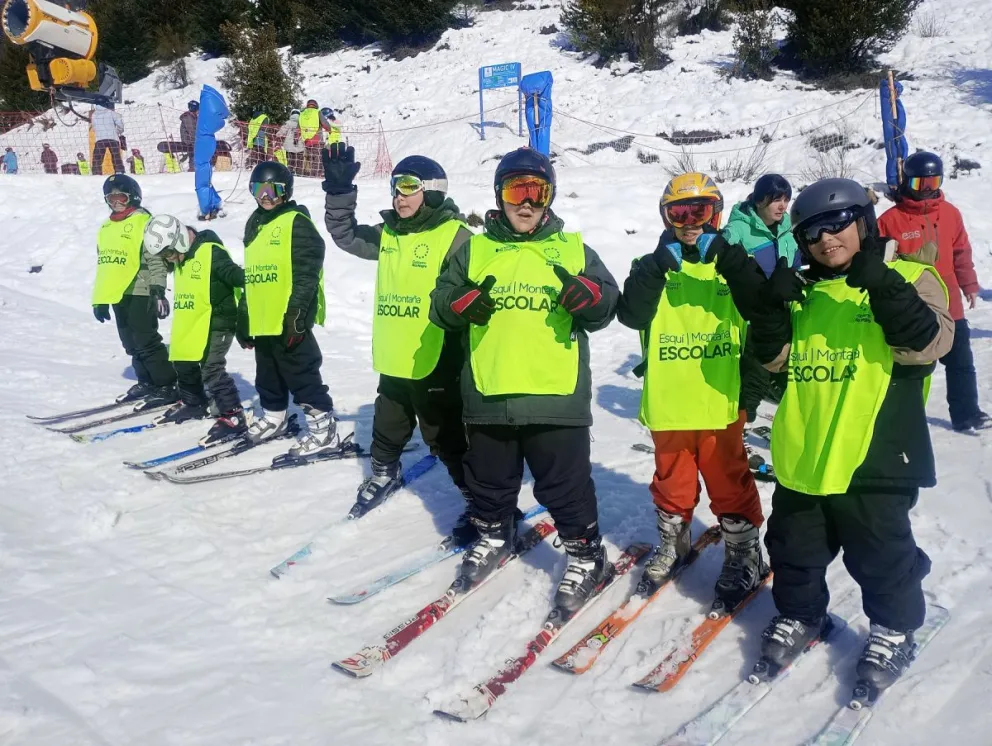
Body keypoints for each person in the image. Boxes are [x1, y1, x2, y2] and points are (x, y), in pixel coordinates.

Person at [720, 178, 952, 693]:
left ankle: (893, 630)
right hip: (806, 449)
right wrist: (770, 312)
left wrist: (883, 284)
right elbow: (774, 361)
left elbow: (929, 344)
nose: (827, 240)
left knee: (880, 552)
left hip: (877, 450)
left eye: (838, 224)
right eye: (812, 234)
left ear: (863, 223)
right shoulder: (806, 292)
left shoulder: (911, 274)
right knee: (794, 548)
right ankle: (801, 615)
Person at [429, 147, 620, 615]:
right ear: (501, 195)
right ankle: (495, 535)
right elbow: (440, 301)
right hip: (490, 392)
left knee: (564, 485)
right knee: (489, 480)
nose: (527, 202)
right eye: (517, 190)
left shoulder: (573, 248)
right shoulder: (474, 249)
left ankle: (585, 554)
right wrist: (458, 305)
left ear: (549, 196)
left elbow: (608, 301)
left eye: (537, 191)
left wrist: (590, 297)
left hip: (555, 395)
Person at [617, 172, 766, 614]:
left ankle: (744, 553)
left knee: (729, 480)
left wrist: (730, 259)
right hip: (669, 399)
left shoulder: (734, 264)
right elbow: (631, 314)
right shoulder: (652, 264)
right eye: (678, 213)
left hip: (719, 398)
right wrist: (655, 267)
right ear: (665, 217)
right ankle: (673, 539)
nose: (689, 222)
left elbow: (762, 311)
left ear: (715, 212)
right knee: (672, 480)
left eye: (699, 211)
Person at [323, 145, 475, 526]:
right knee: (388, 422)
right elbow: (345, 236)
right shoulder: (389, 234)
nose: (399, 195)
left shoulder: (457, 238)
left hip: (437, 357)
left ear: (433, 191)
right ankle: (383, 472)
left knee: (447, 436)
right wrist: (339, 193)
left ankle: (482, 500)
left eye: (409, 187)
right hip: (395, 355)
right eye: (395, 186)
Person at [877, 151, 988, 433]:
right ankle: (902, 419)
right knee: (911, 366)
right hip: (914, 305)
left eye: (933, 181)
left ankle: (967, 414)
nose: (927, 190)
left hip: (950, 302)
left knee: (961, 362)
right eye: (919, 184)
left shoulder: (950, 213)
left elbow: (962, 251)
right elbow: (881, 265)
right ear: (907, 183)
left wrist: (970, 285)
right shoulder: (891, 220)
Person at [237, 161, 341, 457]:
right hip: (263, 318)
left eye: (273, 189)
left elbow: (307, 272)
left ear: (286, 191)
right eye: (259, 189)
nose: (265, 196)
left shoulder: (296, 221)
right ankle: (274, 417)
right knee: (267, 374)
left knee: (302, 374)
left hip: (289, 318)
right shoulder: (255, 223)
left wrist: (296, 314)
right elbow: (252, 274)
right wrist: (244, 315)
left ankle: (324, 430)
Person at [143, 215, 248, 444]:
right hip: (192, 319)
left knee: (211, 367)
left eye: (168, 254)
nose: (168, 260)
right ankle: (194, 402)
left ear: (180, 239)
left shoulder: (211, 252)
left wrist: (249, 279)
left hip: (218, 320)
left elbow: (233, 274)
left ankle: (233, 415)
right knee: (182, 359)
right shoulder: (182, 257)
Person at [92, 175, 178, 406]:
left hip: (141, 289)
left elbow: (156, 258)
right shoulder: (107, 227)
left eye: (120, 197)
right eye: (110, 198)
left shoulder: (144, 221)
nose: (115, 203)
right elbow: (105, 265)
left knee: (146, 339)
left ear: (133, 197)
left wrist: (158, 289)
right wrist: (99, 299)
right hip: (118, 293)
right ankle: (146, 380)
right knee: (130, 342)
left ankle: (166, 384)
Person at [723, 173, 799, 423]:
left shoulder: (788, 227)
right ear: (759, 201)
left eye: (786, 200)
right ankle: (741, 421)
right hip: (756, 311)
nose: (782, 206)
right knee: (757, 368)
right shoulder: (740, 228)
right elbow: (719, 256)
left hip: (787, 307)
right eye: (776, 200)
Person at [91, 103, 125, 175]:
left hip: (100, 139)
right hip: (112, 138)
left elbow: (94, 128)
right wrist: (116, 132)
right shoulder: (112, 113)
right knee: (116, 156)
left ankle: (96, 172)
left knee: (97, 157)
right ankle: (119, 171)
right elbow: (120, 125)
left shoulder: (94, 115)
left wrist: (100, 132)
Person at [275, 109, 304, 175]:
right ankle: (300, 174)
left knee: (290, 161)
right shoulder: (302, 123)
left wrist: (277, 134)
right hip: (300, 146)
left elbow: (281, 132)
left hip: (289, 146)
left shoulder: (288, 122)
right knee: (299, 162)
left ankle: (290, 173)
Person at [299, 100, 322, 177]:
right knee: (316, 158)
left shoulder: (302, 114)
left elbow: (298, 127)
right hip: (316, 139)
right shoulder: (317, 112)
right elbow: (325, 124)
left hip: (305, 140)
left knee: (307, 157)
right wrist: (329, 130)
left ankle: (305, 173)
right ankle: (315, 174)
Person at [180, 100, 198, 172]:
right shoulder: (188, 117)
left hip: (192, 140)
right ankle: (193, 168)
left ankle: (194, 168)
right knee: (194, 153)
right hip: (189, 141)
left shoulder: (193, 117)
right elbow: (191, 131)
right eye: (197, 109)